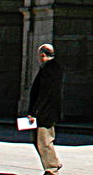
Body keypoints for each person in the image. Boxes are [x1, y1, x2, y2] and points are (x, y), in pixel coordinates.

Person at [26, 43, 63, 175]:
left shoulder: (48, 69)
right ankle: (53, 163)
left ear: (43, 55)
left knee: (43, 141)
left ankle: (52, 167)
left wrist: (34, 111)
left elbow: (44, 93)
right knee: (41, 139)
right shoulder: (55, 67)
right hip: (49, 110)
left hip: (45, 111)